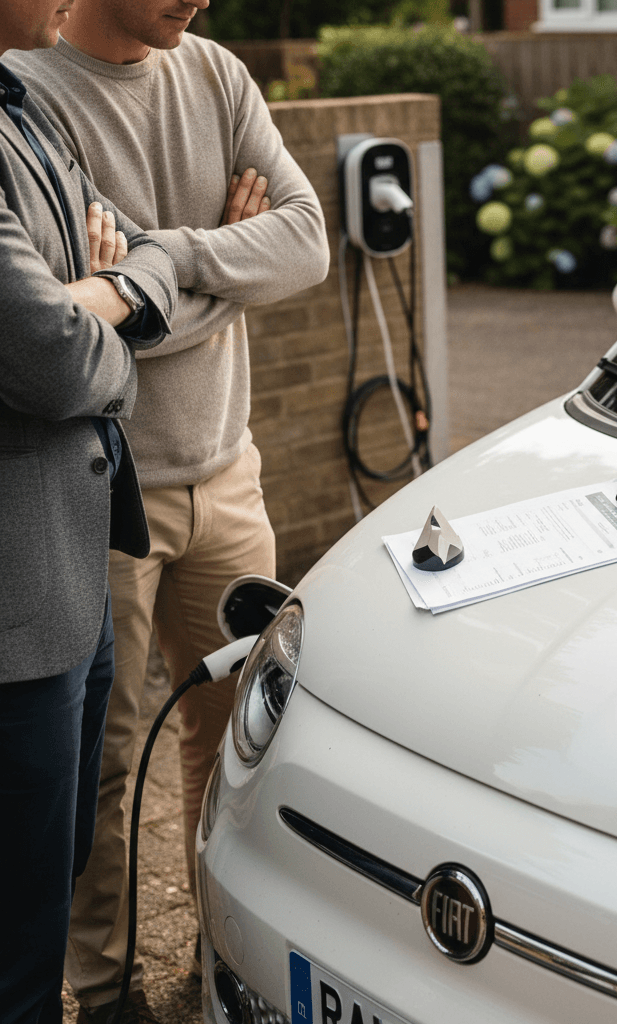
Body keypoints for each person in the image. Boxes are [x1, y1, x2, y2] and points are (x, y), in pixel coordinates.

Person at [7, 4, 331, 1022]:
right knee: (100, 762)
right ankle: (103, 992)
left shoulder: (217, 72)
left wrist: (161, 263)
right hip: (101, 491)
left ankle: (218, 955)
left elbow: (308, 245)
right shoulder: (35, 93)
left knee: (239, 737)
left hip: (230, 472)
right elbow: (54, 336)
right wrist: (231, 252)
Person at [0, 2, 178, 1021]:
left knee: (52, 872)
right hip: (15, 616)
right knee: (18, 938)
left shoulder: (26, 104)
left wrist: (94, 284)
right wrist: (110, 303)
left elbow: (151, 253)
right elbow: (54, 360)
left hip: (77, 582)